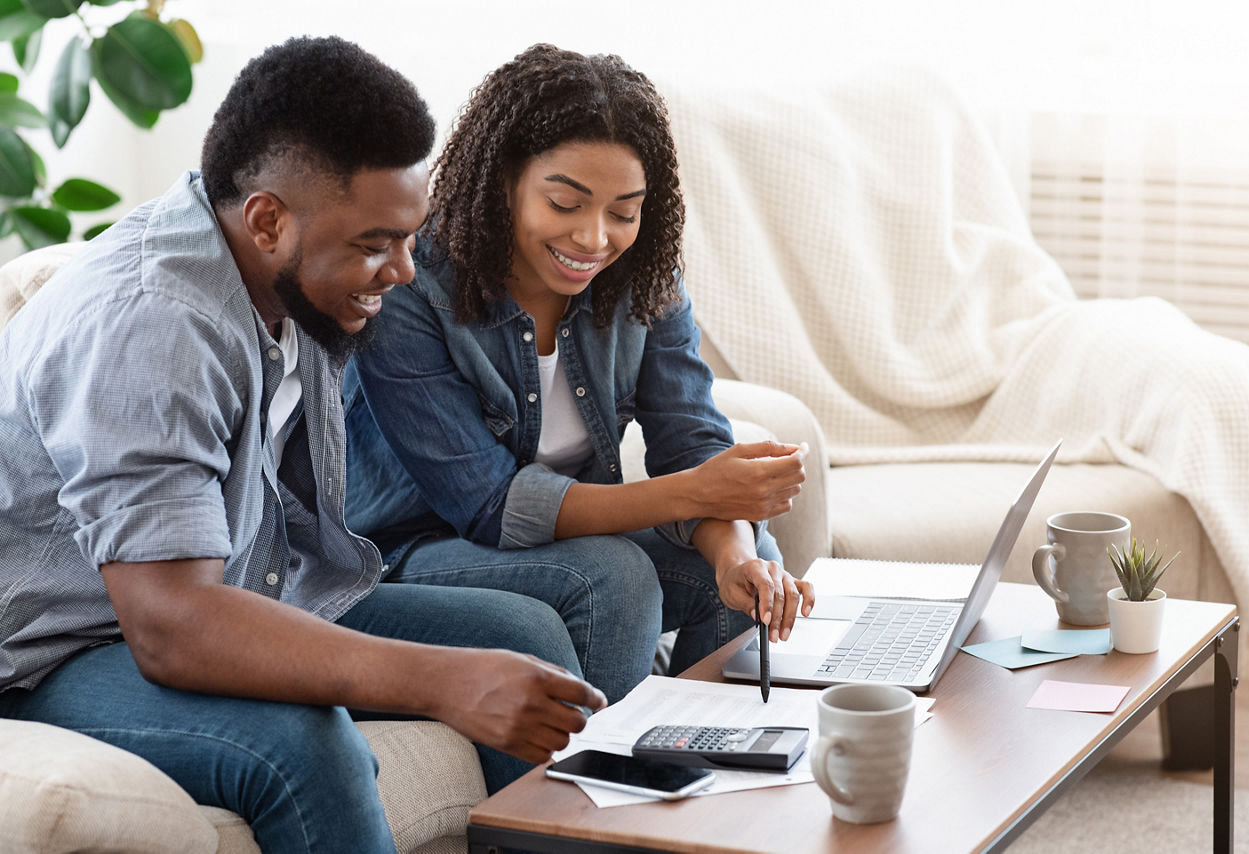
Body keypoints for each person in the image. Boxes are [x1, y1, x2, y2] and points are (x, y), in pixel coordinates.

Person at [0, 36, 604, 853]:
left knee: (525, 637)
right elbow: (172, 622)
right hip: (57, 649)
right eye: (374, 243)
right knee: (302, 745)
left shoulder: (292, 282)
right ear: (268, 219)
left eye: (407, 237)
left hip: (238, 586)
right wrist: (440, 680)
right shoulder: (154, 325)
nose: (401, 270)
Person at [344, 43, 816, 705]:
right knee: (614, 578)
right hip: (411, 551)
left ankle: (708, 765)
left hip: (551, 544)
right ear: (503, 179)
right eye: (566, 204)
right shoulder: (414, 286)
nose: (595, 239)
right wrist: (698, 492)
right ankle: (604, 793)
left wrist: (736, 550)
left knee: (744, 560)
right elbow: (489, 506)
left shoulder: (642, 282)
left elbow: (690, 441)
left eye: (623, 212)